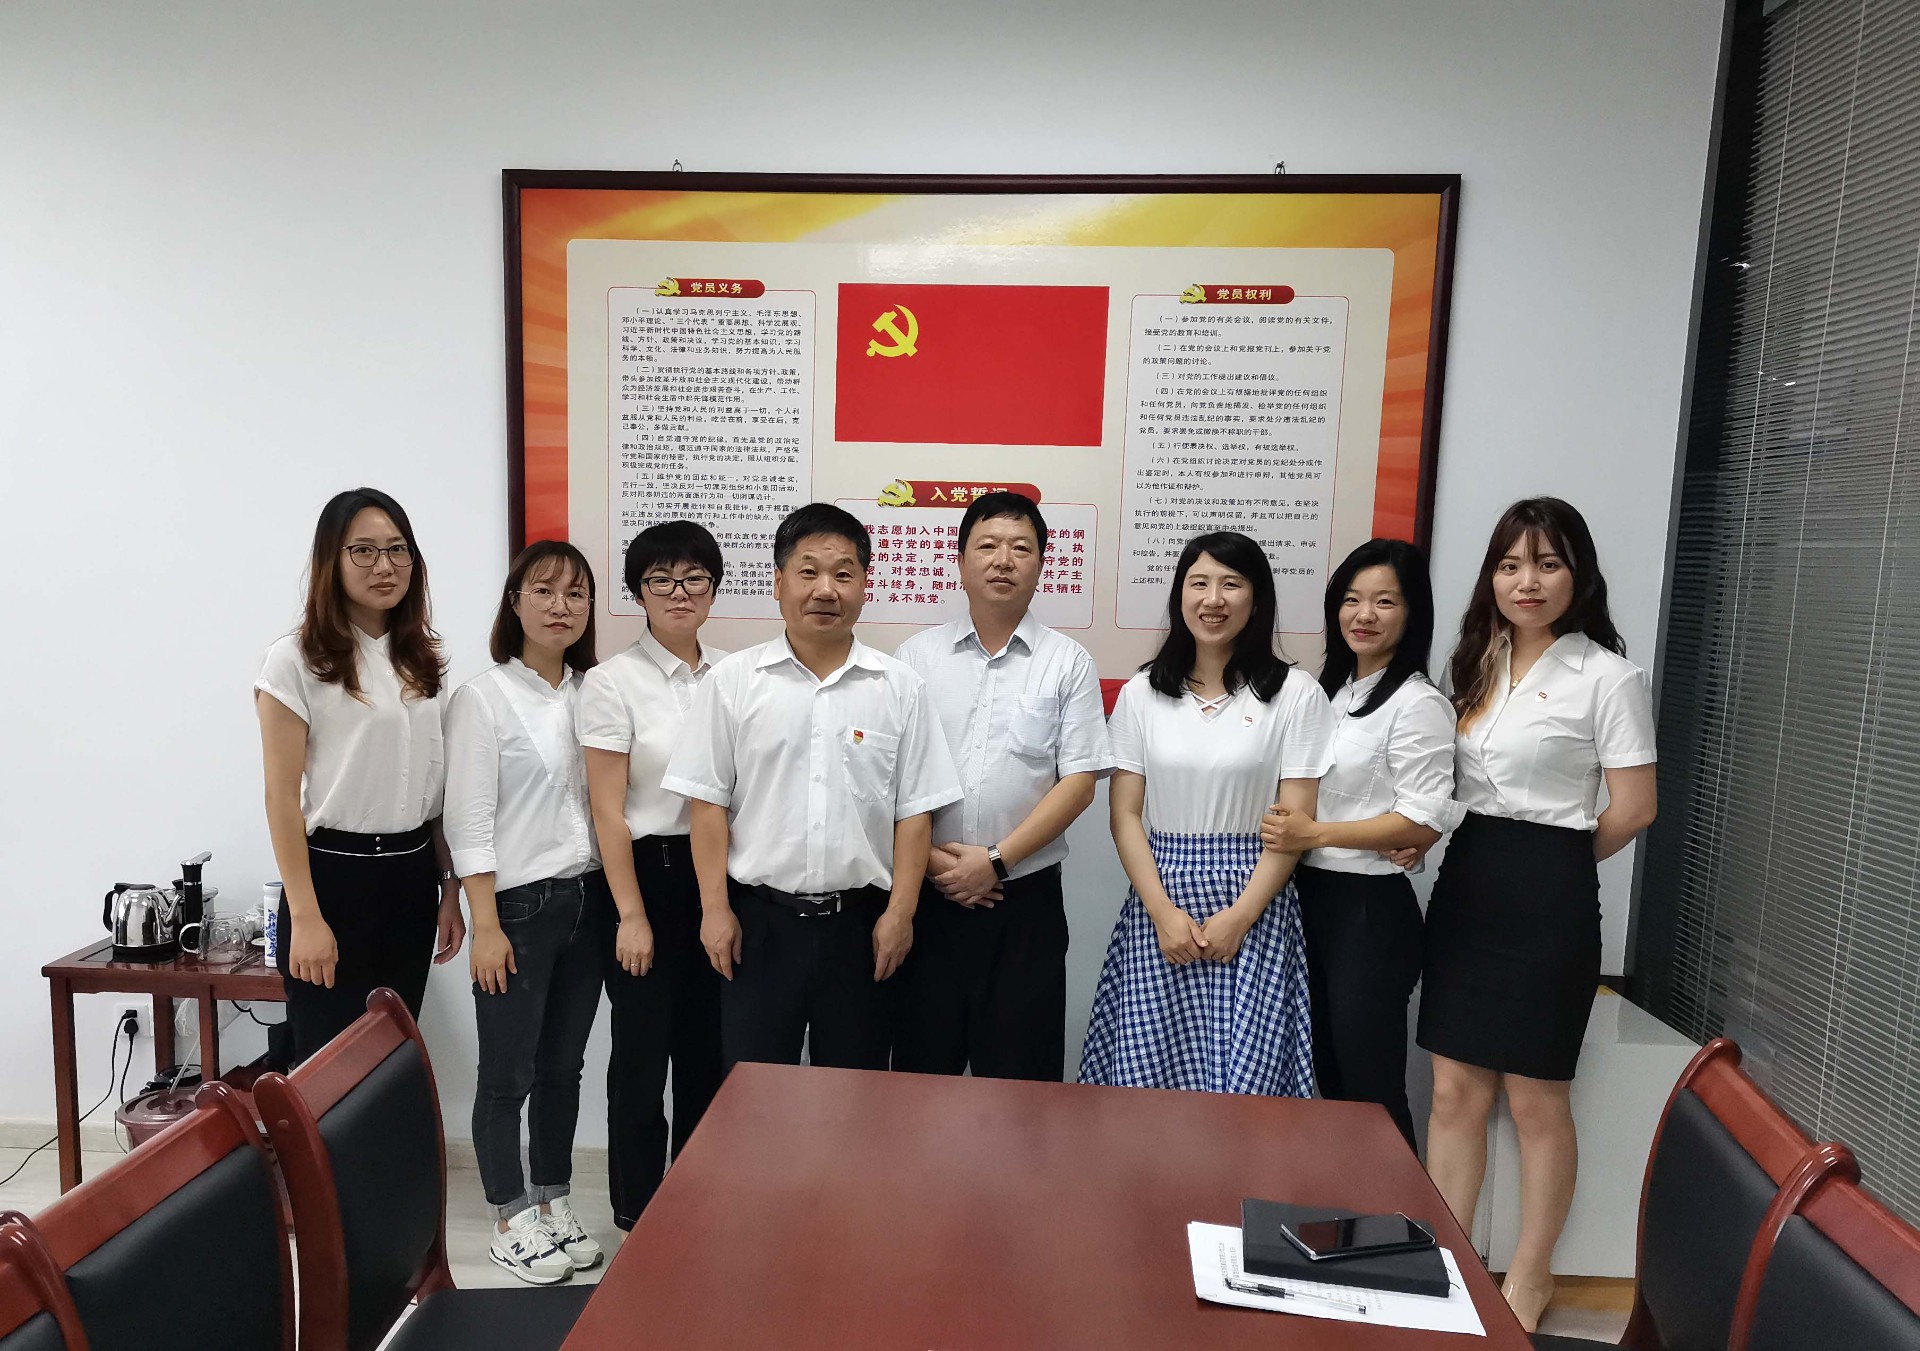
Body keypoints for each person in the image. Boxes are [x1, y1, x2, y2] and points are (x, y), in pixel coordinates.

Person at [1416, 498, 1657, 1333]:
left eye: (1548, 564)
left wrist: (1557, 865)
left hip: (1552, 889)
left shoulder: (1608, 676)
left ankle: (1530, 1273)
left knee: (1535, 1099)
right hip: (1468, 877)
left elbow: (1634, 805)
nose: (1528, 581)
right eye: (1511, 564)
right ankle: (1448, 1258)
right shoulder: (1474, 662)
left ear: (1577, 575)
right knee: (1453, 1091)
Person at [662, 503, 961, 1070]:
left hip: (863, 928)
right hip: (758, 925)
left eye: (843, 574)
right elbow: (707, 806)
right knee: (753, 1091)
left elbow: (914, 813)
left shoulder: (900, 687)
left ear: (865, 585)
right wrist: (715, 911)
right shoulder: (732, 682)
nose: (826, 589)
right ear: (778, 583)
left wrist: (900, 915)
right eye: (808, 572)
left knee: (853, 1097)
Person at [1078, 531, 1332, 1094]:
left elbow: (1293, 827)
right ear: (1180, 596)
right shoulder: (1142, 693)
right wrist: (1162, 914)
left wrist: (1239, 917)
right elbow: (1125, 816)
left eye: (1231, 584)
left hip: (1255, 907)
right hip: (1160, 906)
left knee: (1252, 1085)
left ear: (1256, 599)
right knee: (1149, 1078)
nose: (1213, 599)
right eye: (1199, 583)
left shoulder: (1296, 694)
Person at [891, 492, 1113, 1081]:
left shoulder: (1066, 661)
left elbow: (1080, 783)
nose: (1003, 560)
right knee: (920, 1076)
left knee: (1021, 1086)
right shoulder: (915, 658)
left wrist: (995, 861)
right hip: (926, 896)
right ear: (960, 561)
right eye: (987, 545)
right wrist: (935, 863)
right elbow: (885, 779)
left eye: (1021, 548)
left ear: (1042, 563)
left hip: (1025, 907)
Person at [1258, 539, 1460, 1148]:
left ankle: (1394, 1206)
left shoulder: (1418, 703)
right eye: (1351, 600)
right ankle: (1337, 1204)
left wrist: (1315, 833)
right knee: (1322, 1075)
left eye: (1384, 602)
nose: (1363, 615)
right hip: (1305, 897)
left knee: (1369, 1087)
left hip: (1367, 911)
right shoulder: (1330, 692)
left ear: (1413, 613)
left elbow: (1420, 818)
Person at [254, 488, 465, 1065]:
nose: (384, 565)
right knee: (329, 1071)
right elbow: (280, 798)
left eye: (398, 549)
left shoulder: (424, 657)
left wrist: (449, 888)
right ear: (332, 560)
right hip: (332, 881)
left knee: (391, 1063)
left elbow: (438, 789)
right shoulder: (295, 660)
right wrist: (306, 917)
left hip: (412, 878)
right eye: (364, 550)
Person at [445, 540, 606, 1283]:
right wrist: (486, 924)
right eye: (543, 591)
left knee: (563, 1068)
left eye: (575, 594)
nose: (560, 606)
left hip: (588, 902)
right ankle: (508, 1217)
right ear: (515, 603)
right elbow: (468, 819)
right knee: (506, 1072)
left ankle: (552, 1200)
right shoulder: (483, 698)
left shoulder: (593, 692)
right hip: (518, 908)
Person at [577, 521, 727, 1231]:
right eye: (660, 580)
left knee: (709, 1051)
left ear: (714, 589)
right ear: (638, 592)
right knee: (641, 1055)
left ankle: (698, 1202)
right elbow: (608, 812)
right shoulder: (613, 682)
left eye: (694, 578)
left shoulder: (734, 675)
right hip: (648, 878)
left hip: (720, 880)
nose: (679, 592)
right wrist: (631, 915)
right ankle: (638, 1210)